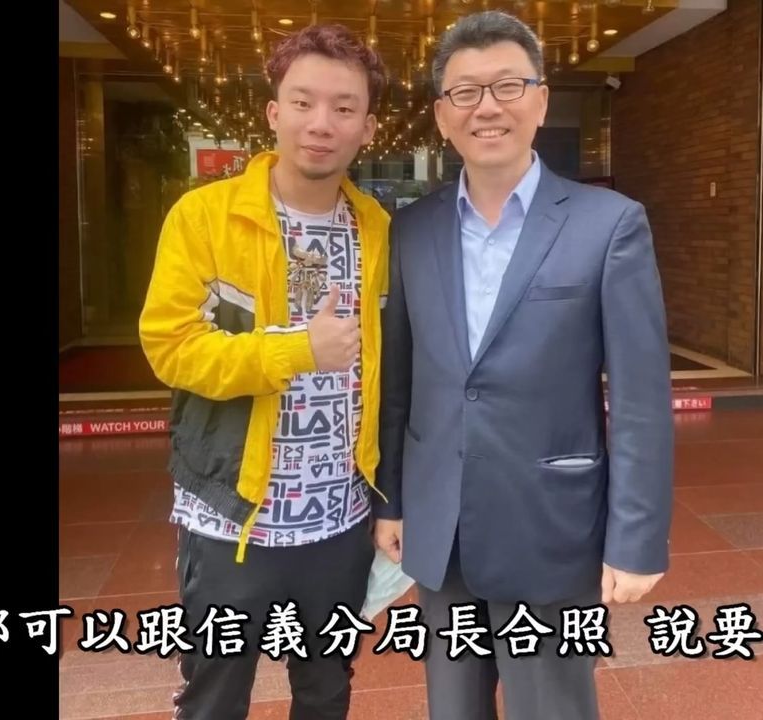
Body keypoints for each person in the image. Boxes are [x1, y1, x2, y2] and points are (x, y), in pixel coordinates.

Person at [372, 10, 674, 720]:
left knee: (553, 709)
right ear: (442, 116)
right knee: (454, 709)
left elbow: (639, 399)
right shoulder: (412, 229)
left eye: (508, 86)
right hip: (441, 525)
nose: (488, 108)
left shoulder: (609, 224)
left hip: (552, 524)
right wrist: (394, 501)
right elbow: (402, 381)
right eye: (465, 92)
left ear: (540, 101)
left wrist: (637, 538)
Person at [138, 23, 390, 720]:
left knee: (326, 692)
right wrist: (294, 351)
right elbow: (170, 347)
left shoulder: (377, 228)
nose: (321, 123)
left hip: (340, 518)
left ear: (368, 128)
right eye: (303, 102)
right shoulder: (204, 217)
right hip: (231, 518)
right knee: (215, 699)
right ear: (274, 112)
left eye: (344, 107)